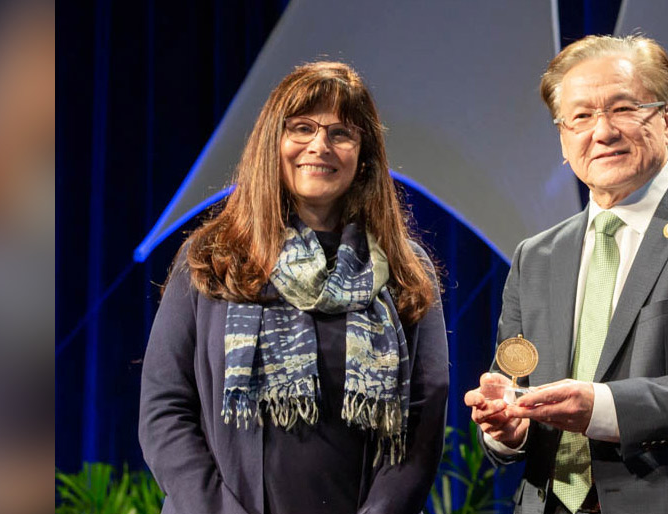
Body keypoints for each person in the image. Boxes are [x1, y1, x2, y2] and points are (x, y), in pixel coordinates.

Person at [464, 35, 668, 514]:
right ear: (563, 138)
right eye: (581, 116)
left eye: (623, 108)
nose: (603, 131)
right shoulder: (537, 256)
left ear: (667, 119)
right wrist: (509, 429)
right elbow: (513, 386)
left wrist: (603, 407)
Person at [139, 61, 449, 514]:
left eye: (341, 133)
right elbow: (165, 410)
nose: (319, 145)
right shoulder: (211, 258)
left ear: (363, 154)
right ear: (273, 142)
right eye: (301, 128)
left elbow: (423, 419)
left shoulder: (404, 269)